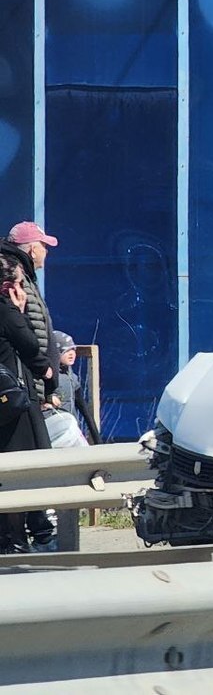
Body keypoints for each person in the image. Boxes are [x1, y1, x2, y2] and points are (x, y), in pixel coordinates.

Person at [1, 223, 61, 550]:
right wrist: (47, 378)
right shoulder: (12, 298)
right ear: (30, 248)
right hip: (18, 390)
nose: (46, 252)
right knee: (26, 460)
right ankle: (24, 536)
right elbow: (28, 339)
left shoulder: (23, 285)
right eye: (43, 245)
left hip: (21, 388)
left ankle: (28, 531)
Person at [49, 330, 93, 446]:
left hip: (71, 430)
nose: (71, 354)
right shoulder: (48, 376)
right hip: (56, 431)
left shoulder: (72, 378)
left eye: (73, 349)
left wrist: (97, 439)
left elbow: (85, 411)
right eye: (66, 350)